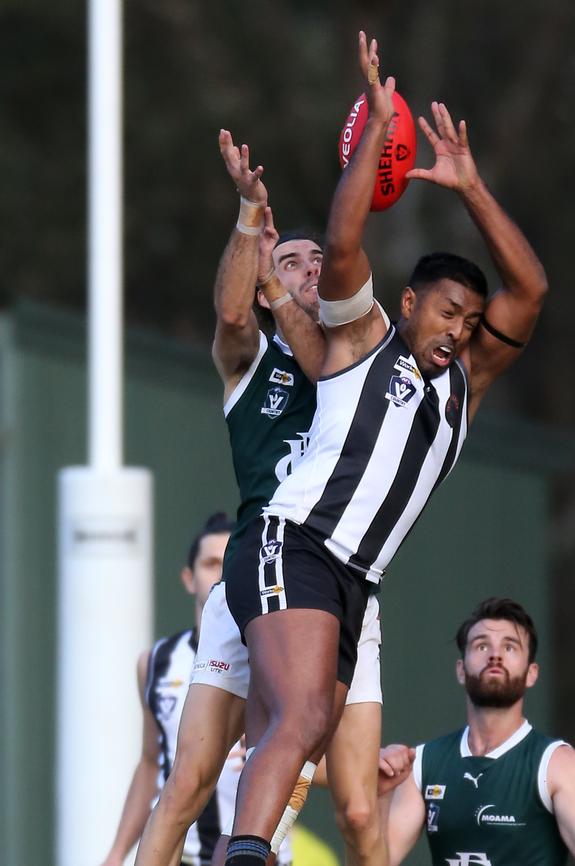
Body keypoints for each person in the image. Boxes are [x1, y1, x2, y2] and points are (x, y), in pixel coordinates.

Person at [221, 31, 550, 866]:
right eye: (445, 312)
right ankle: (247, 856)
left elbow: (532, 290)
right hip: (292, 542)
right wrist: (374, 130)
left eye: (469, 322)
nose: (457, 330)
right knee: (297, 722)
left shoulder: (463, 389)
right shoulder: (360, 338)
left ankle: (241, 848)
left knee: (298, 739)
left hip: (353, 582)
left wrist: (472, 186)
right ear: (407, 304)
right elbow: (340, 243)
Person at [134, 129, 384, 866]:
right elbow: (234, 315)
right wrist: (250, 217)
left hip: (341, 580)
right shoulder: (251, 363)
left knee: (356, 803)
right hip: (259, 571)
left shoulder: (364, 356)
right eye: (290, 261)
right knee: (189, 782)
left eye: (317, 261)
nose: (309, 271)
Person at [377, 597, 575, 866]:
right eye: (481, 645)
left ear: (532, 673)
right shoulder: (424, 763)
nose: (495, 654)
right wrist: (382, 796)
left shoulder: (558, 765)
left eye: (510, 647)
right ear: (460, 670)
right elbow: (376, 862)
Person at [99, 513, 290, 866]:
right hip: (181, 855)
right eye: (210, 563)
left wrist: (275, 746)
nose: (220, 574)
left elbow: (315, 757)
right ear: (189, 578)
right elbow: (149, 762)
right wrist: (116, 852)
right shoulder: (155, 662)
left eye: (229, 562)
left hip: (256, 854)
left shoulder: (278, 657)